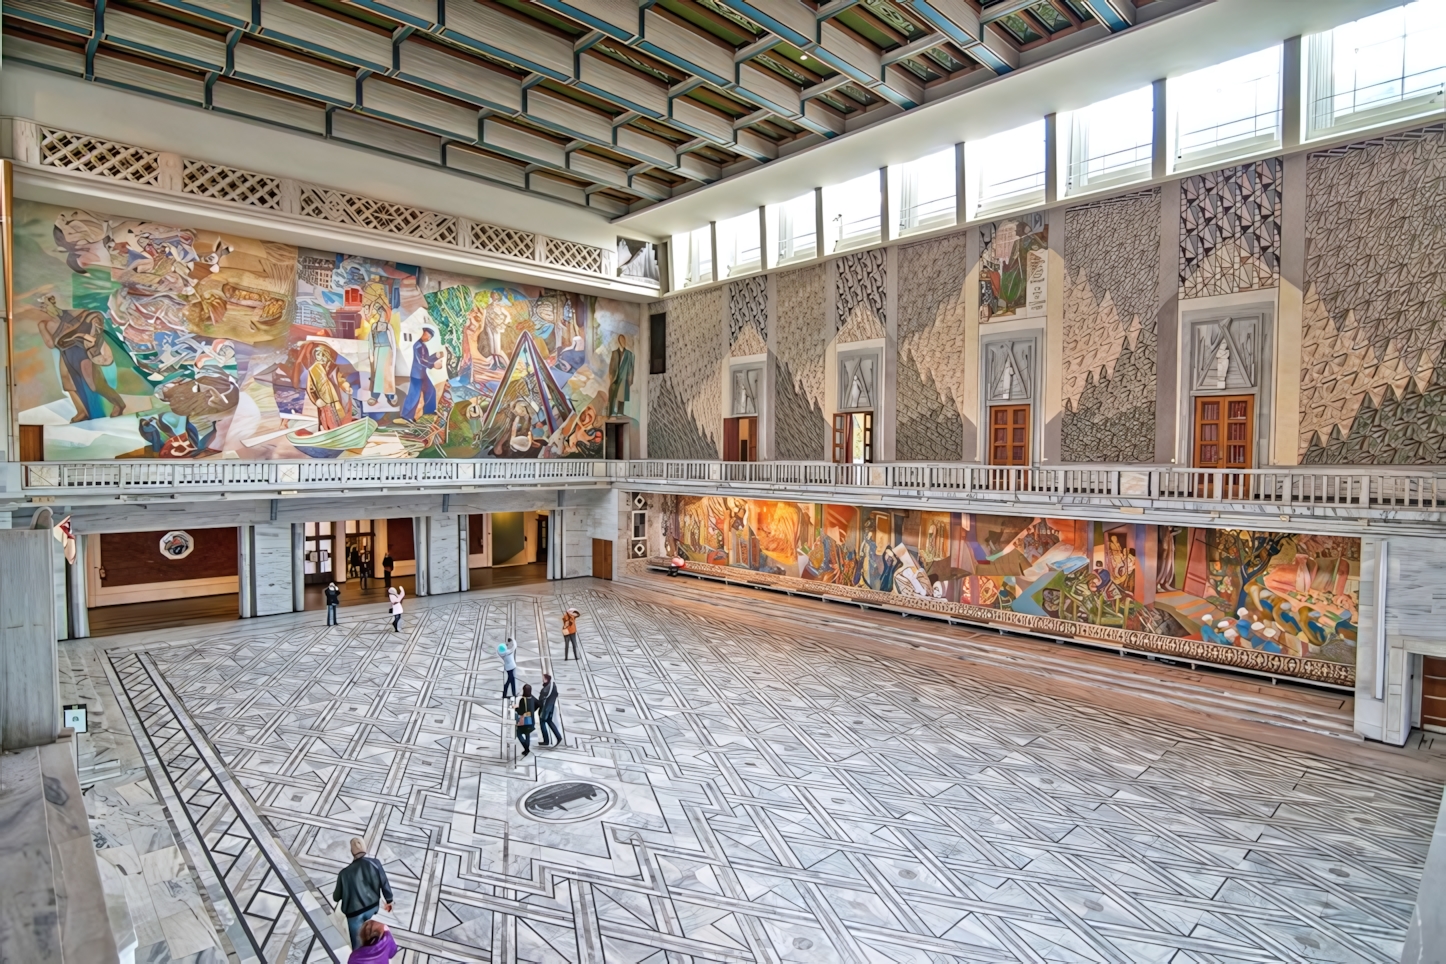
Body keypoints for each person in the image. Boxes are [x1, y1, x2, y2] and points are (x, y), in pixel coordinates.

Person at [333, 837, 393, 951]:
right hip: (372, 907)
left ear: (351, 852)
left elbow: (336, 897)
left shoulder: (344, 874)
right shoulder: (375, 863)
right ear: (365, 849)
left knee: (357, 946)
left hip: (354, 913)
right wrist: (389, 900)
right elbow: (384, 882)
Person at [401, 327, 443, 421]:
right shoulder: (418, 345)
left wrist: (435, 356)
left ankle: (429, 412)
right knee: (414, 396)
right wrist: (433, 364)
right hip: (416, 375)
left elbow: (426, 360)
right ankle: (406, 416)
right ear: (423, 333)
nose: (429, 338)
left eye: (430, 337)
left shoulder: (423, 346)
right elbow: (420, 361)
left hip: (422, 374)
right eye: (428, 335)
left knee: (430, 391)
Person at [606, 333, 634, 416]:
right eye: (621, 340)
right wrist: (611, 376)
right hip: (615, 377)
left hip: (624, 377)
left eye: (624, 340)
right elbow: (611, 366)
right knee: (612, 395)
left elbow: (631, 367)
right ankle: (610, 412)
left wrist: (630, 379)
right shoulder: (614, 353)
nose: (623, 342)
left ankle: (620, 412)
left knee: (622, 396)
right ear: (619, 341)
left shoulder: (629, 354)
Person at [514, 683, 539, 757]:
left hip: (524, 722)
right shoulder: (532, 697)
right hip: (531, 720)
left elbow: (520, 711)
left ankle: (526, 748)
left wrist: (516, 708)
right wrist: (532, 711)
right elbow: (539, 704)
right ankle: (526, 749)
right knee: (527, 734)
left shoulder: (523, 700)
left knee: (518, 733)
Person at [538, 673, 562, 748]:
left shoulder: (544, 690)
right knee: (549, 721)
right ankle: (558, 737)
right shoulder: (553, 685)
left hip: (545, 709)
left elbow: (540, 699)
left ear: (546, 680)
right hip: (551, 707)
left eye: (543, 678)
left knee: (542, 722)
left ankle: (546, 741)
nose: (542, 679)